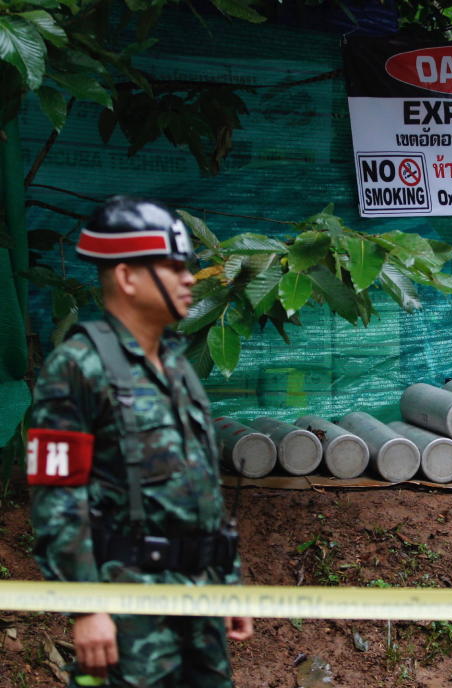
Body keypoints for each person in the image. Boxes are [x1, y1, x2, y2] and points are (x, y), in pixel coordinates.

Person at [27, 196, 253, 687]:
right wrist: (87, 608)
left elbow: (205, 488)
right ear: (128, 278)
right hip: (129, 604)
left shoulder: (175, 364)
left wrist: (227, 581)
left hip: (200, 599)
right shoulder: (77, 367)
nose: (190, 278)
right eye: (174, 268)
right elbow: (57, 501)